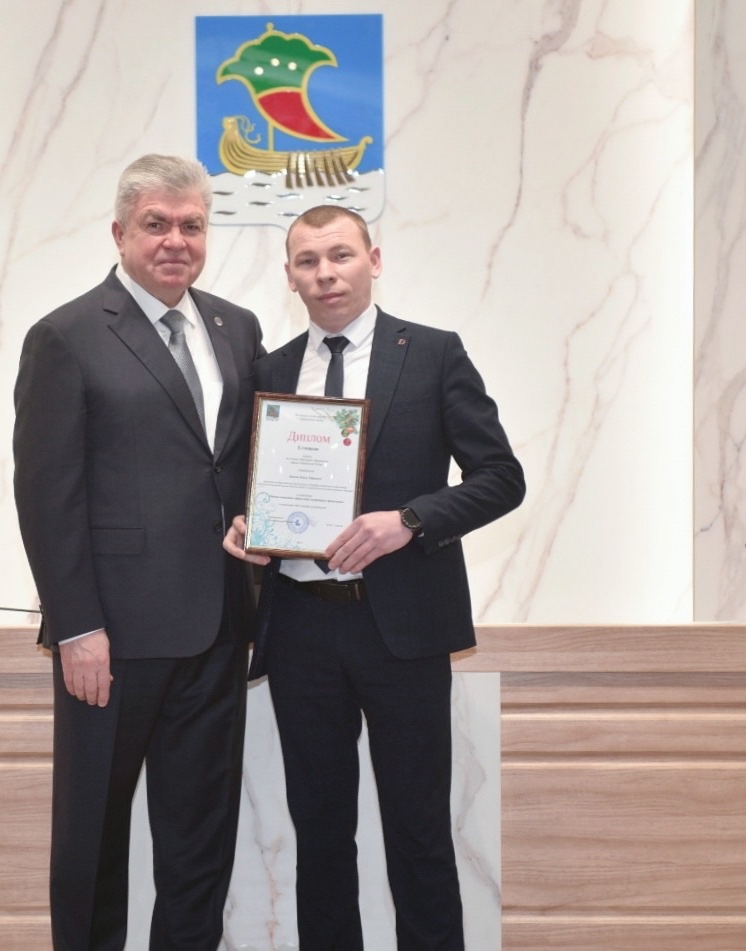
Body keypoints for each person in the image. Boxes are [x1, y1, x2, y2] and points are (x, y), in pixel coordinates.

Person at [224, 205, 525, 949]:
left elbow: (501, 478)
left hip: (403, 627)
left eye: (340, 255)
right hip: (300, 627)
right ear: (289, 276)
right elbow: (244, 487)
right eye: (307, 261)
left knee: (418, 832)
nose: (325, 274)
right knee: (321, 834)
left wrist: (410, 520)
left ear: (374, 260)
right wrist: (244, 526)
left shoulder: (432, 353)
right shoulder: (269, 370)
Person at [13, 154, 264, 950]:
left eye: (192, 225)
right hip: (112, 640)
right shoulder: (66, 336)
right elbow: (47, 495)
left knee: (201, 840)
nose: (175, 241)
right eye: (156, 224)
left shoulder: (236, 327)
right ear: (120, 233)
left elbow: (239, 462)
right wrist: (76, 625)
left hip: (218, 628)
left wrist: (258, 521)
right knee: (93, 835)